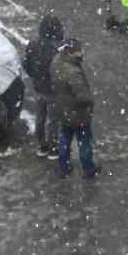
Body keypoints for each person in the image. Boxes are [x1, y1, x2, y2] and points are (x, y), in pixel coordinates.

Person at [50, 38, 98, 179]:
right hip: (78, 114)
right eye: (80, 50)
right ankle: (88, 169)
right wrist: (90, 103)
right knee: (84, 143)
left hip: (63, 110)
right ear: (72, 53)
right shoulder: (73, 72)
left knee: (64, 138)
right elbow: (84, 97)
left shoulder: (56, 61)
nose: (83, 52)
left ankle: (63, 168)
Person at [20, 14, 65, 158]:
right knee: (54, 120)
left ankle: (41, 145)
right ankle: (53, 148)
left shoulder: (33, 45)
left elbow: (26, 64)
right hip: (53, 90)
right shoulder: (57, 50)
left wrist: (35, 77)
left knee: (40, 116)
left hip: (39, 87)